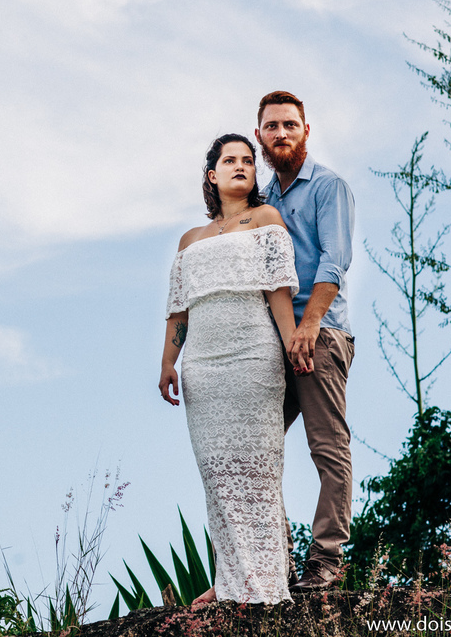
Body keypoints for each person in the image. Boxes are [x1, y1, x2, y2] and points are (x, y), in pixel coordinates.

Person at [158, 133, 304, 605]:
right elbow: (178, 311)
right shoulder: (189, 241)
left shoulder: (266, 220)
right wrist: (168, 363)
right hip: (202, 366)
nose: (241, 165)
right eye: (230, 160)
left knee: (259, 473)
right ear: (212, 175)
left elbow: (279, 295)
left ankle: (265, 590)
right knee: (218, 477)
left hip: (254, 358)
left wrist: (293, 348)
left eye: (247, 160)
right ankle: (230, 585)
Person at [255, 90, 355, 591]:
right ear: (260, 137)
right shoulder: (264, 201)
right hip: (274, 339)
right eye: (272, 127)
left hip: (320, 334)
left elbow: (334, 262)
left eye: (289, 125)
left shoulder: (328, 187)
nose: (281, 134)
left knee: (327, 448)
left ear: (306, 131)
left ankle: (327, 560)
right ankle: (274, 560)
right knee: (256, 447)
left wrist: (310, 327)